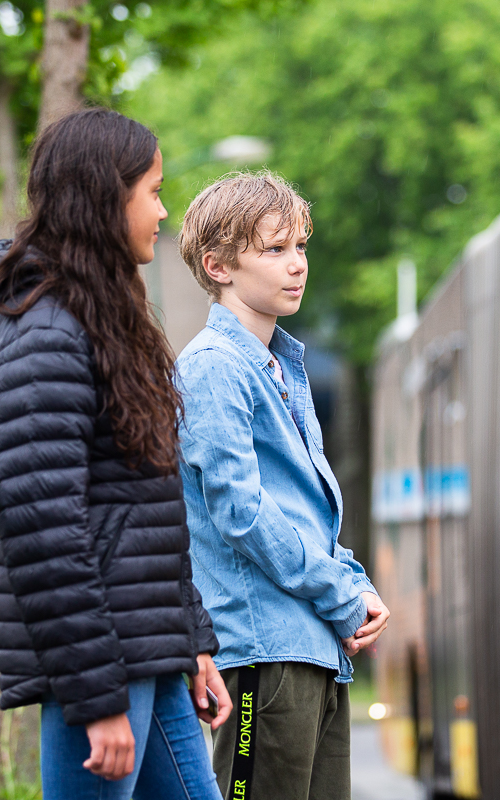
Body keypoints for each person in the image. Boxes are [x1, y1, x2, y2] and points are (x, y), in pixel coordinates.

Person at [0, 108, 231, 800]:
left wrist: (190, 638)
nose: (164, 212)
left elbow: (145, 508)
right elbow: (44, 525)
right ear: (107, 196)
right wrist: (96, 696)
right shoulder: (43, 328)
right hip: (102, 659)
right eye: (154, 192)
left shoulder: (105, 315)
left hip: (145, 648)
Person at [173, 171, 391, 800]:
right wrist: (342, 596)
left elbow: (306, 512)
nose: (296, 265)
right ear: (217, 265)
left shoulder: (282, 368)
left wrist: (355, 585)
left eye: (299, 246)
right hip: (263, 654)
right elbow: (242, 514)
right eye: (273, 250)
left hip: (314, 650)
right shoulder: (214, 369)